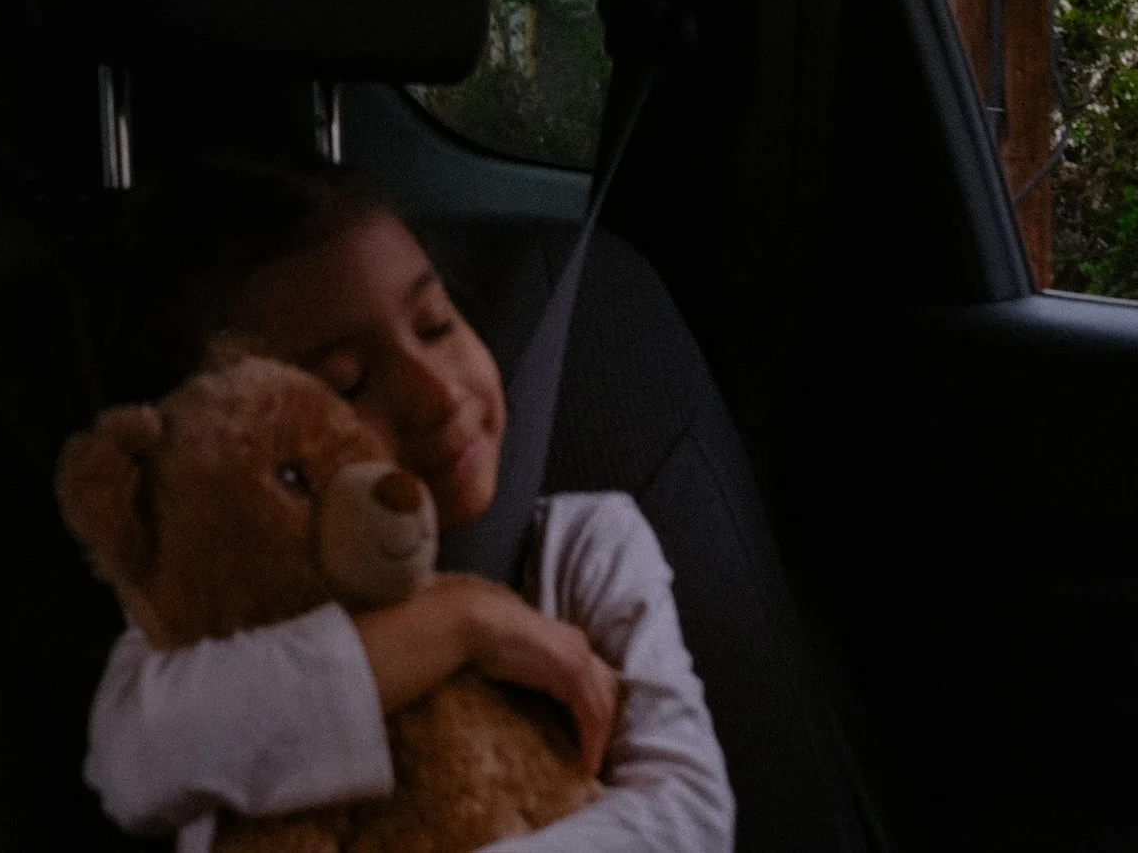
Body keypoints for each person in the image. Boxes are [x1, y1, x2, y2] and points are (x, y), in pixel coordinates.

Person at [85, 155, 734, 852]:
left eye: (433, 325)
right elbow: (138, 760)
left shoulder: (585, 546)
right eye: (347, 385)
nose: (437, 393)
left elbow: (690, 812)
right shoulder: (215, 618)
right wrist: (462, 620)